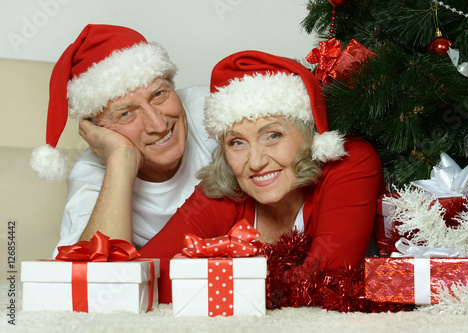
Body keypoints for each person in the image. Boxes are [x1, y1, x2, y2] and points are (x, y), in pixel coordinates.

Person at [140, 50, 386, 304]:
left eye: (273, 136)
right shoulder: (222, 192)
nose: (256, 162)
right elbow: (140, 277)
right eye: (237, 142)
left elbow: (324, 280)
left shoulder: (350, 161)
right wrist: (121, 159)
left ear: (309, 134)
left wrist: (205, 280)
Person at [28, 24, 216, 258]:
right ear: (96, 131)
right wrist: (120, 159)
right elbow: (91, 279)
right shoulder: (91, 175)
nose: (158, 125)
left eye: (159, 94)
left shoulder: (214, 110)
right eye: (125, 114)